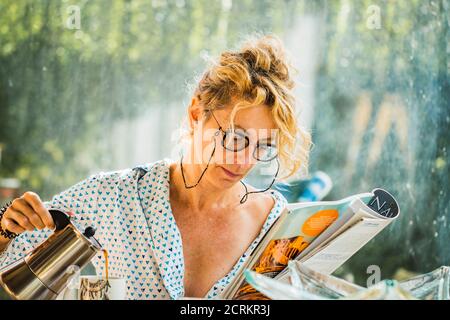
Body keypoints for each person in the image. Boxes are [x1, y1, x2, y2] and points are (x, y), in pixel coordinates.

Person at [0, 34, 311, 299]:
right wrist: (5, 223)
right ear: (195, 113)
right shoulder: (113, 197)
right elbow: (12, 267)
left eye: (263, 146)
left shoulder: (275, 224)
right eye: (234, 138)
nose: (245, 161)